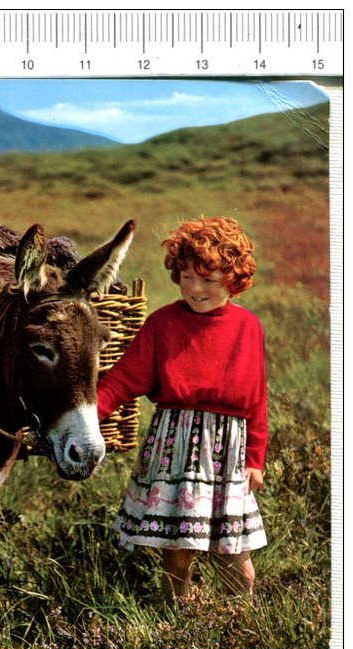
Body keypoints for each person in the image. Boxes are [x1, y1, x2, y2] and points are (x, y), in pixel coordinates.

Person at [97, 216, 268, 600]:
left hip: (228, 454)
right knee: (177, 552)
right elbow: (123, 379)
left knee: (235, 555)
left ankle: (239, 621)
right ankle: (176, 618)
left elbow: (257, 398)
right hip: (175, 447)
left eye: (208, 280)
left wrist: (255, 458)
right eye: (187, 277)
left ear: (233, 279)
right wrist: (89, 417)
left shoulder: (248, 327)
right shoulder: (162, 323)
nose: (195, 288)